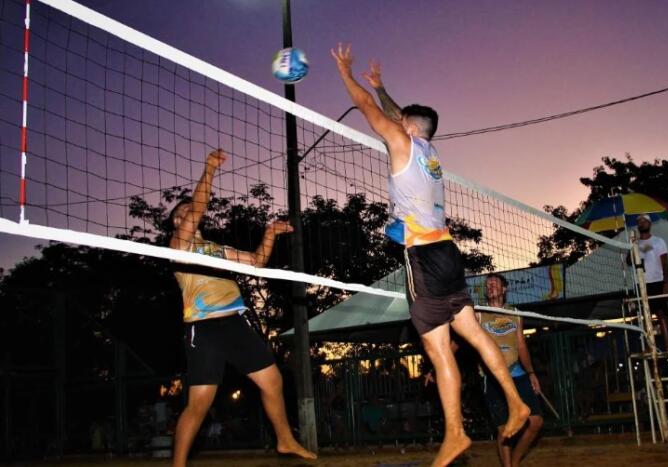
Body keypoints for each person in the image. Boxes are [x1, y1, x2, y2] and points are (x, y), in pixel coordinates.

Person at [331, 44, 529, 467]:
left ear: (406, 128)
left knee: (439, 351)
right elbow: (399, 112)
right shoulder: (430, 153)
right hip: (449, 253)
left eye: (400, 122)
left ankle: (455, 434)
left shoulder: (401, 143)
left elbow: (367, 108)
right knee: (473, 334)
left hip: (423, 258)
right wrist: (382, 86)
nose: (396, 122)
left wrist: (346, 73)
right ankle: (516, 403)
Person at [169, 149, 315, 466]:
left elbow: (257, 262)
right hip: (203, 329)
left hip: (234, 324)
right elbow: (198, 207)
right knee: (199, 404)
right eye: (182, 211)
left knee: (273, 381)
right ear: (178, 222)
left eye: (188, 209)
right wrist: (210, 168)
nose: (189, 211)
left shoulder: (216, 249)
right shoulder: (178, 245)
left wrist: (270, 233)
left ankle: (284, 440)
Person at [479, 273, 543, 467]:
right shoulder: (478, 313)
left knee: (536, 421)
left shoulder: (515, 313)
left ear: (504, 289)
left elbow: (521, 345)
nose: (490, 286)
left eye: (494, 283)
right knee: (504, 429)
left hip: (517, 373)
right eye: (487, 284)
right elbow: (460, 338)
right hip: (493, 378)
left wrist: (531, 372)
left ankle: (514, 462)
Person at [634, 214, 668, 351]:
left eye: (644, 221)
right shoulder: (636, 244)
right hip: (642, 284)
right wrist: (632, 247)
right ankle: (649, 346)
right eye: (639, 222)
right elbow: (629, 261)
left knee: (661, 314)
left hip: (657, 281)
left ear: (649, 224)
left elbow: (665, 263)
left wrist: (666, 283)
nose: (642, 223)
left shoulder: (658, 241)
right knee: (646, 316)